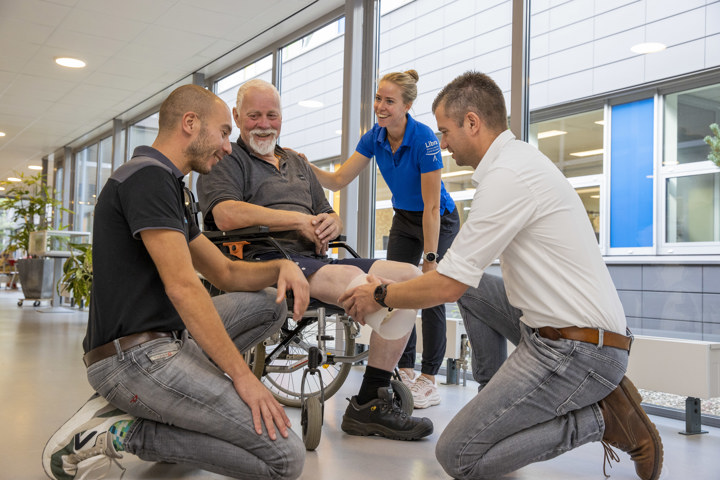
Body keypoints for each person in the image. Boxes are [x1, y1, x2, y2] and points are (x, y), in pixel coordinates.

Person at [339, 71, 663, 480]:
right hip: (558, 331)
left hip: (579, 351)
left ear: (472, 122)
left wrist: (380, 295)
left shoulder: (508, 178)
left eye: (446, 131)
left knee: (458, 456)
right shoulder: (516, 161)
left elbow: (446, 285)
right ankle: (492, 394)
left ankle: (601, 420)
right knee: (473, 291)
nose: (442, 144)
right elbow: (460, 280)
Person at [42, 84, 311, 480]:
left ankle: (175, 407)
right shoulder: (147, 179)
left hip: (168, 341)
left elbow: (225, 273)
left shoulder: (171, 186)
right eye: (223, 132)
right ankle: (123, 433)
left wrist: (280, 268)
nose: (228, 147)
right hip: (132, 360)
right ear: (190, 123)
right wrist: (243, 379)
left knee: (269, 302)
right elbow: (183, 288)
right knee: (285, 460)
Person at [196, 79, 433, 441]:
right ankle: (377, 327)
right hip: (268, 260)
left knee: (410, 277)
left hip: (316, 259)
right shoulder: (228, 159)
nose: (264, 124)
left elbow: (327, 212)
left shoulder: (297, 162)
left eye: (272, 115)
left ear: (281, 117)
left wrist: (331, 222)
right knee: (357, 278)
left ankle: (370, 400)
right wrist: (297, 221)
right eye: (255, 115)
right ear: (237, 116)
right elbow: (225, 214)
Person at [307, 70, 459, 409]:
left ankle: (429, 379)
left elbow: (432, 207)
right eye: (378, 98)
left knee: (430, 291)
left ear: (407, 106)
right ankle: (405, 370)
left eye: (389, 101)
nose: (380, 106)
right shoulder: (374, 138)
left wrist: (431, 259)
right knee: (398, 289)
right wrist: (305, 165)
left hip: (438, 219)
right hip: (405, 218)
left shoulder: (425, 140)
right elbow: (338, 180)